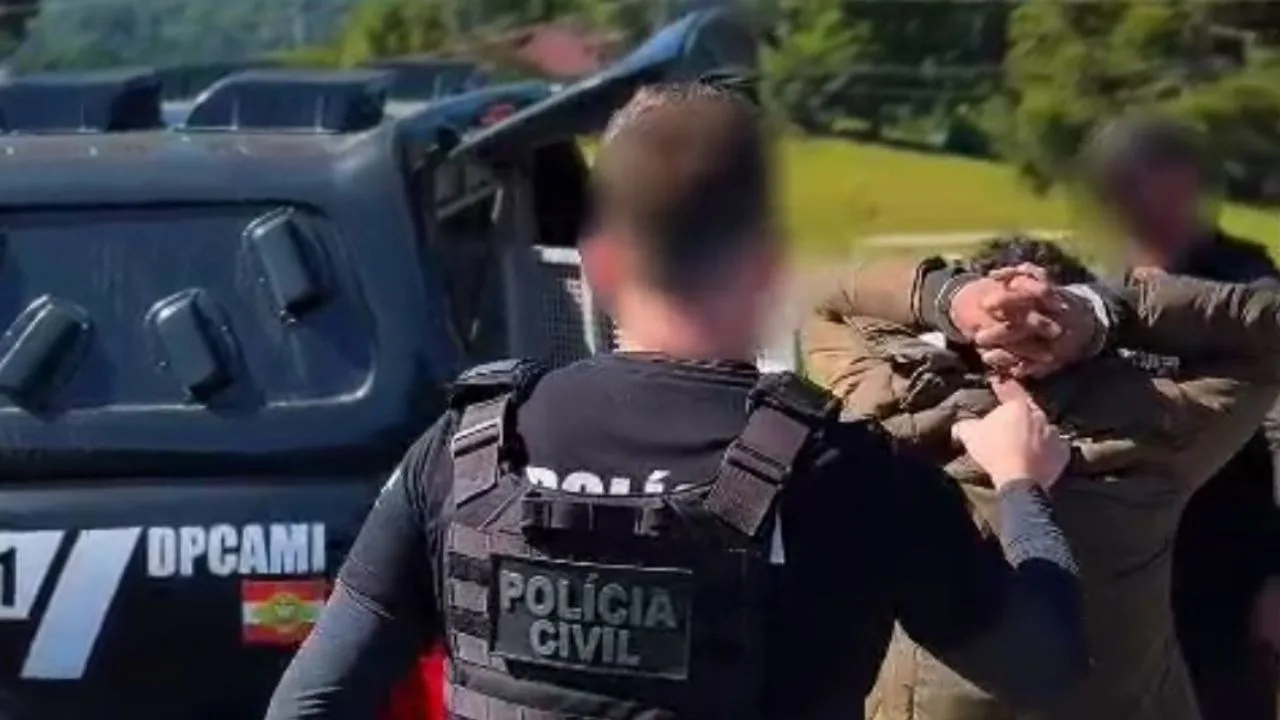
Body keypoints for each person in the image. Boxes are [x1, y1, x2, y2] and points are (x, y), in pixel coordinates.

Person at [263, 81, 1090, 720]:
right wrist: (1022, 487)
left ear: (598, 263)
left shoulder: (465, 449)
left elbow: (308, 706)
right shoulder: (853, 476)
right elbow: (1045, 667)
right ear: (768, 266)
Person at [801, 237, 1280, 720]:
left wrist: (954, 299)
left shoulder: (909, 414)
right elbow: (1266, 334)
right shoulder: (1155, 432)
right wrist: (1103, 311)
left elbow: (829, 308)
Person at [1082, 114, 1280, 720]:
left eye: (1153, 182)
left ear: (1189, 182)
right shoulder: (1101, 288)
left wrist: (1276, 575)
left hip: (1232, 567)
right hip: (1135, 574)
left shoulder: (1248, 291)